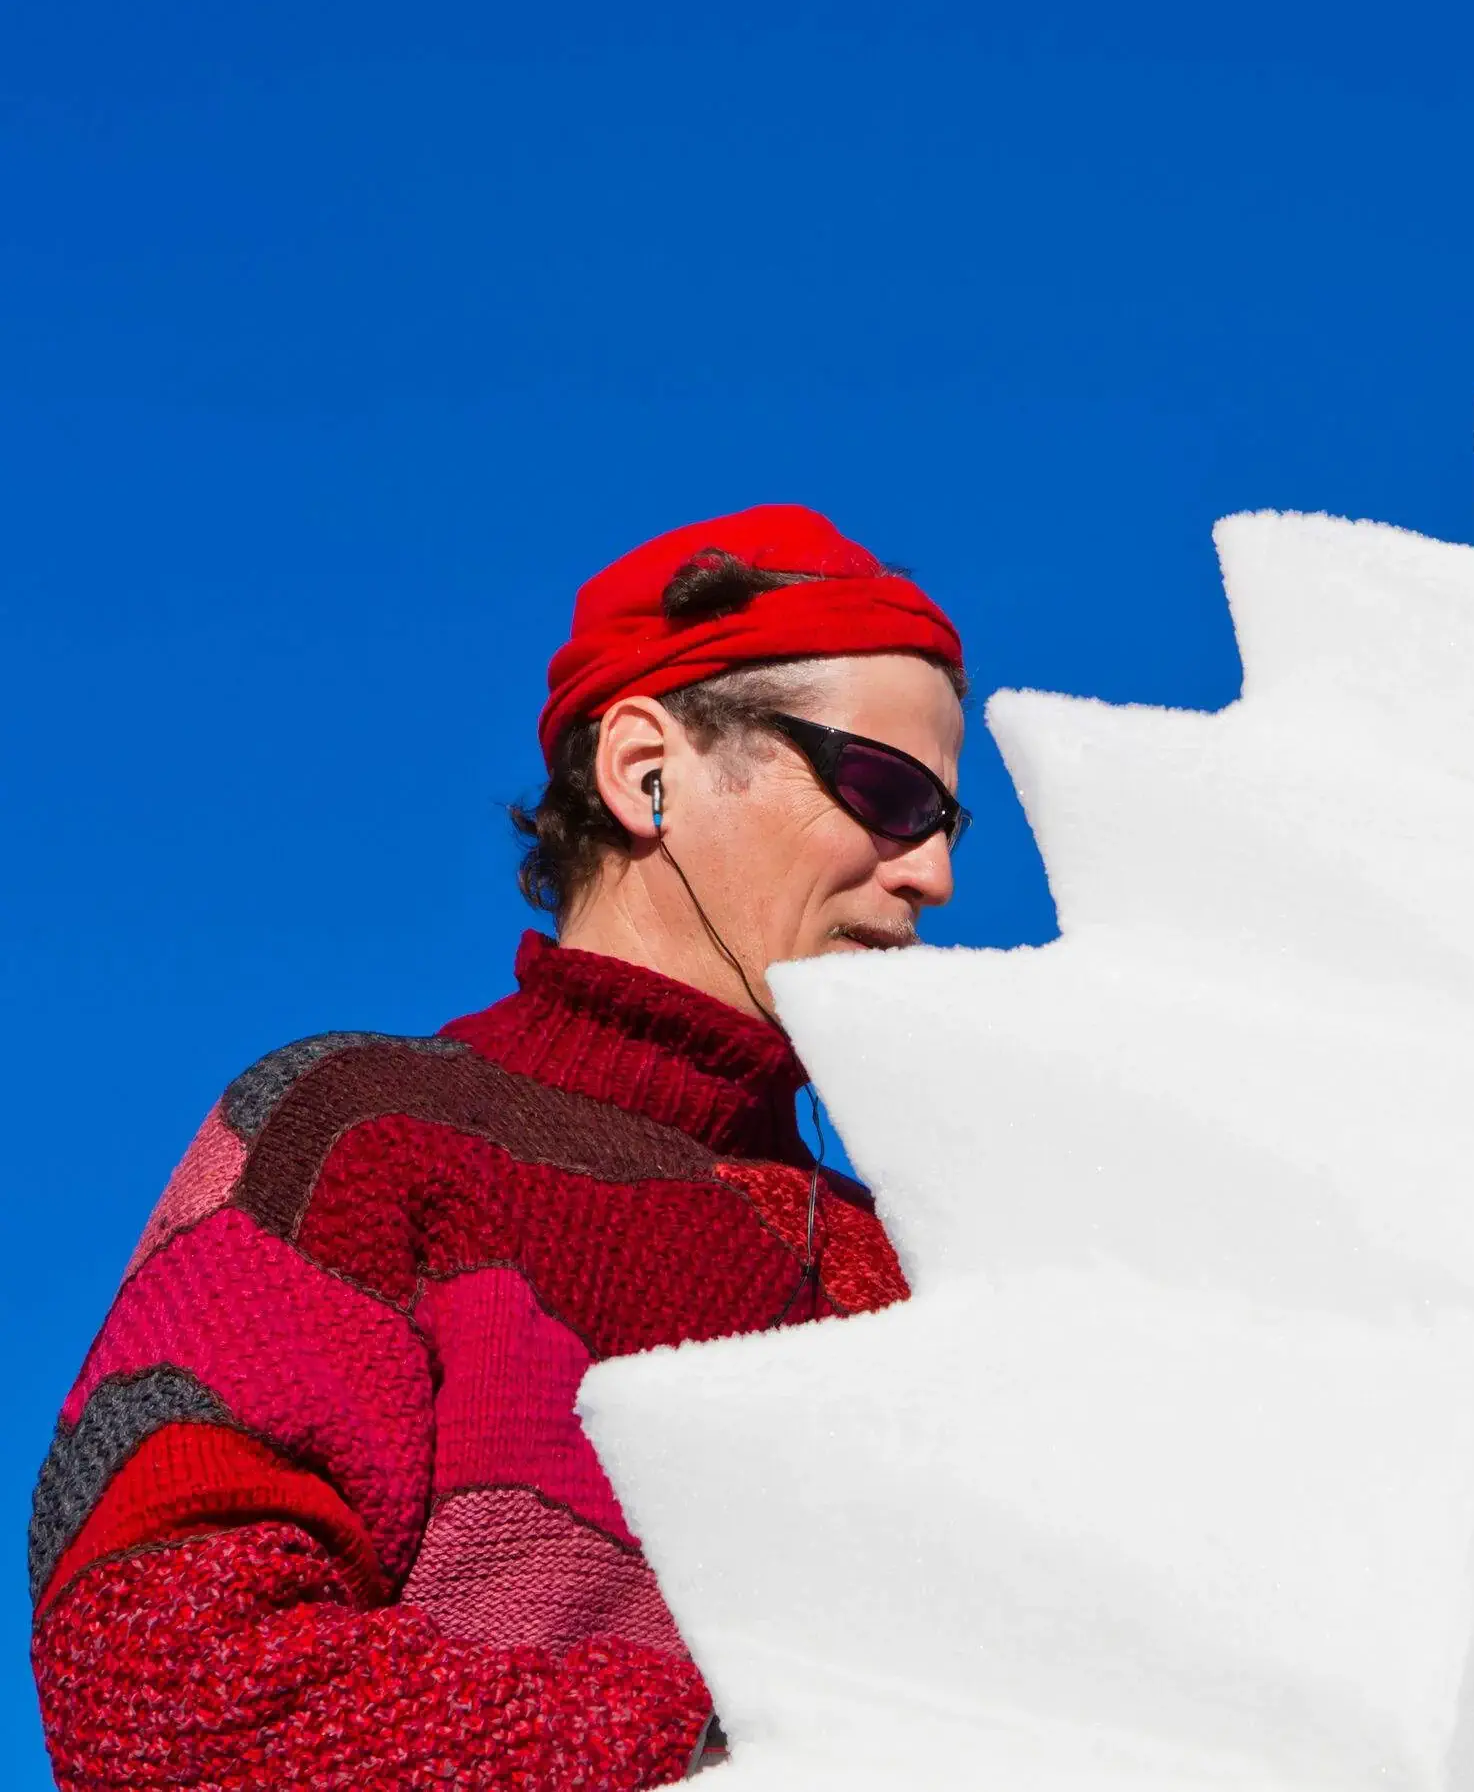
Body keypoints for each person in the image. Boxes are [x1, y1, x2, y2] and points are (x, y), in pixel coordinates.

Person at [27, 506, 970, 1788]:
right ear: (649, 771)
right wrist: (738, 1757)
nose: (932, 876)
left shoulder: (915, 1271)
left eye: (950, 826)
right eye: (885, 793)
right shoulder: (363, 1139)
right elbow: (163, 1684)